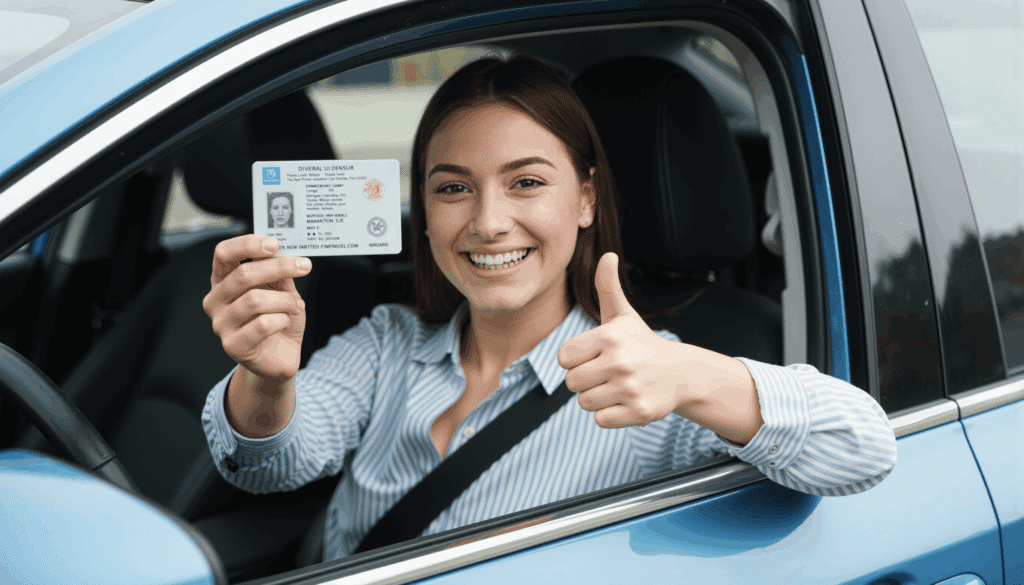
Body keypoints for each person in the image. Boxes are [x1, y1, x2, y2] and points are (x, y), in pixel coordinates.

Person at [201, 56, 897, 562]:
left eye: (526, 181)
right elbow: (268, 464)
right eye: (453, 189)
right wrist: (266, 378)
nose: (489, 222)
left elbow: (866, 447)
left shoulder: (649, 382)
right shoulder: (388, 339)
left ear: (586, 198)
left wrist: (692, 377)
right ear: (424, 210)